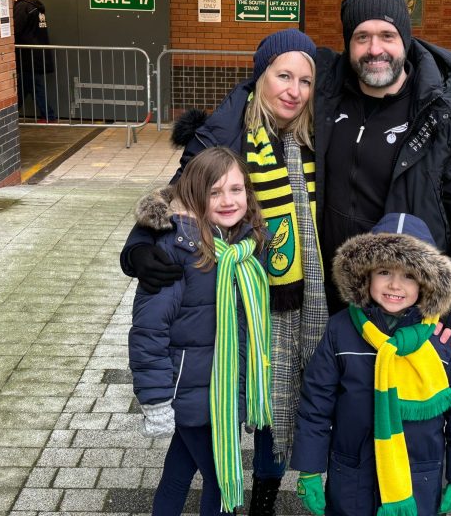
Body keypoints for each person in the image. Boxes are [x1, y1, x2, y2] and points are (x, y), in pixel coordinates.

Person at [121, 28, 326, 515]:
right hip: (234, 310)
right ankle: (250, 498)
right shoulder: (224, 133)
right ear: (260, 77)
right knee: (223, 457)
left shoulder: (318, 134)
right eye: (282, 75)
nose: (293, 89)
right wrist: (137, 250)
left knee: (273, 407)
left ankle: (264, 498)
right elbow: (176, 202)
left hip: (301, 299)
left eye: (305, 79)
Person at [314, 0, 451, 371]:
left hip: (414, 316)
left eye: (387, 35)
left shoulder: (446, 114)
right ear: (347, 44)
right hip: (337, 313)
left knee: (421, 426)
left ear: (405, 39)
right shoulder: (323, 94)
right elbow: (260, 88)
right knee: (343, 422)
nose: (375, 49)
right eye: (362, 37)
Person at [290, 213, 451, 516]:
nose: (395, 284)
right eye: (384, 271)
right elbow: (316, 403)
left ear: (428, 283)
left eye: (409, 275)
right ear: (364, 276)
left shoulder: (442, 340)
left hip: (417, 478)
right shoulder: (341, 330)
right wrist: (310, 467)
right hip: (353, 474)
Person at [128, 147, 270, 515]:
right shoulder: (176, 249)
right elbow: (148, 331)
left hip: (221, 391)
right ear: (194, 195)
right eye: (215, 191)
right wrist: (156, 398)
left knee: (178, 473)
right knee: (224, 482)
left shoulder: (242, 248)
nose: (228, 200)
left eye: (236, 190)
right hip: (192, 393)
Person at [11, 0, 56, 122]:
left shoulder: (22, 6)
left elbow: (15, 29)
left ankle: (49, 115)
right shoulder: (36, 6)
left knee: (34, 86)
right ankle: (12, 115)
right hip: (36, 52)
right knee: (25, 85)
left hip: (27, 54)